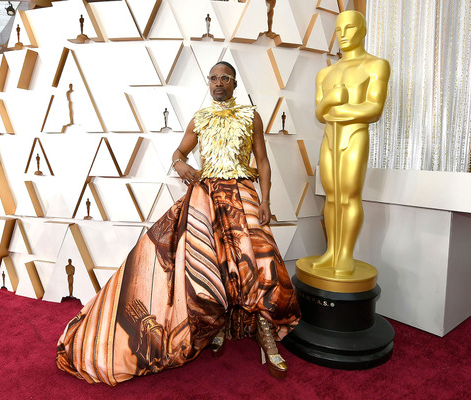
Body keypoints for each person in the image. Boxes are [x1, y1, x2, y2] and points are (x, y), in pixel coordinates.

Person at [56, 61, 301, 386]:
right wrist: (179, 164)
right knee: (213, 264)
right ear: (208, 83)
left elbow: (263, 161)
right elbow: (179, 152)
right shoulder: (199, 118)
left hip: (242, 193)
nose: (218, 83)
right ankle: (217, 325)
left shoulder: (250, 115)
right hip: (207, 196)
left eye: (224, 78)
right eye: (213, 78)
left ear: (234, 83)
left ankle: (266, 333)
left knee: (259, 260)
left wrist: (266, 201)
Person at [306, 10, 390, 275]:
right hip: (330, 138)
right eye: (339, 30)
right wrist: (331, 101)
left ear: (362, 30)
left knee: (350, 195)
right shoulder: (325, 73)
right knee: (332, 197)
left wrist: (336, 109)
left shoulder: (376, 65)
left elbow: (374, 109)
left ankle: (345, 255)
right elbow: (320, 113)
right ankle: (332, 251)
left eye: (350, 28)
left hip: (355, 136)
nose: (342, 35)